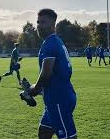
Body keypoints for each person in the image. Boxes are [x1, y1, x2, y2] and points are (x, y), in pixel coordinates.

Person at [27, 9, 77, 139]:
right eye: (38, 22)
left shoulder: (50, 44)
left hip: (58, 99)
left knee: (67, 136)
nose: (39, 25)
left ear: (53, 24)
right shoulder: (54, 41)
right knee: (44, 132)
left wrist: (34, 89)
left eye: (43, 22)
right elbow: (54, 75)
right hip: (56, 97)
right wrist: (38, 89)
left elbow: (46, 74)